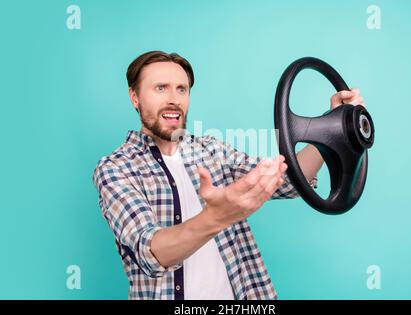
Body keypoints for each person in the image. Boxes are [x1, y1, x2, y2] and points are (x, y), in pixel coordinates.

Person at [92, 50, 365, 300]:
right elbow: (151, 251)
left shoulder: (211, 150)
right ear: (135, 97)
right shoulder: (116, 168)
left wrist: (332, 130)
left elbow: (288, 178)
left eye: (181, 89)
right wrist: (216, 217)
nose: (174, 99)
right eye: (160, 88)